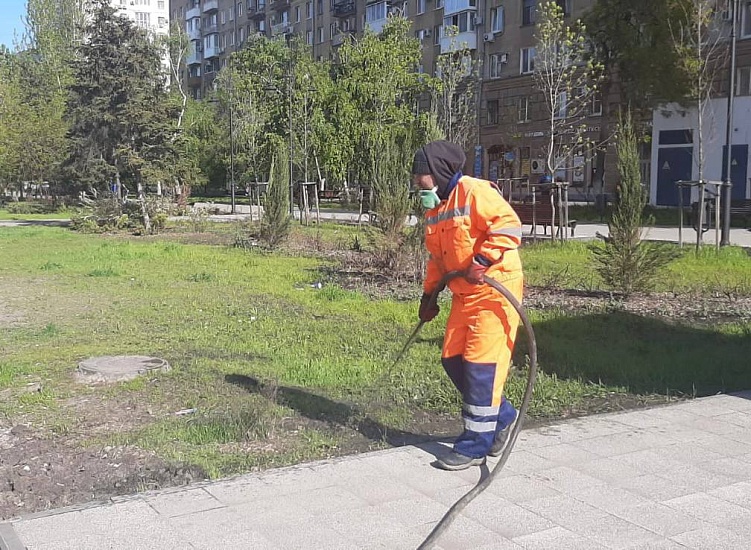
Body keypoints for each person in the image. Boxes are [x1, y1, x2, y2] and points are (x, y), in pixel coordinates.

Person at [412, 140, 524, 471]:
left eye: (423, 176)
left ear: (440, 172)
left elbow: (509, 225)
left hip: (494, 292)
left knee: (480, 367)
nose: (419, 183)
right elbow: (437, 259)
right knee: (453, 359)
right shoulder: (435, 210)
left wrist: (482, 258)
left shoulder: (476, 192)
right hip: (464, 294)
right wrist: (428, 296)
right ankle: (503, 418)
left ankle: (475, 445)